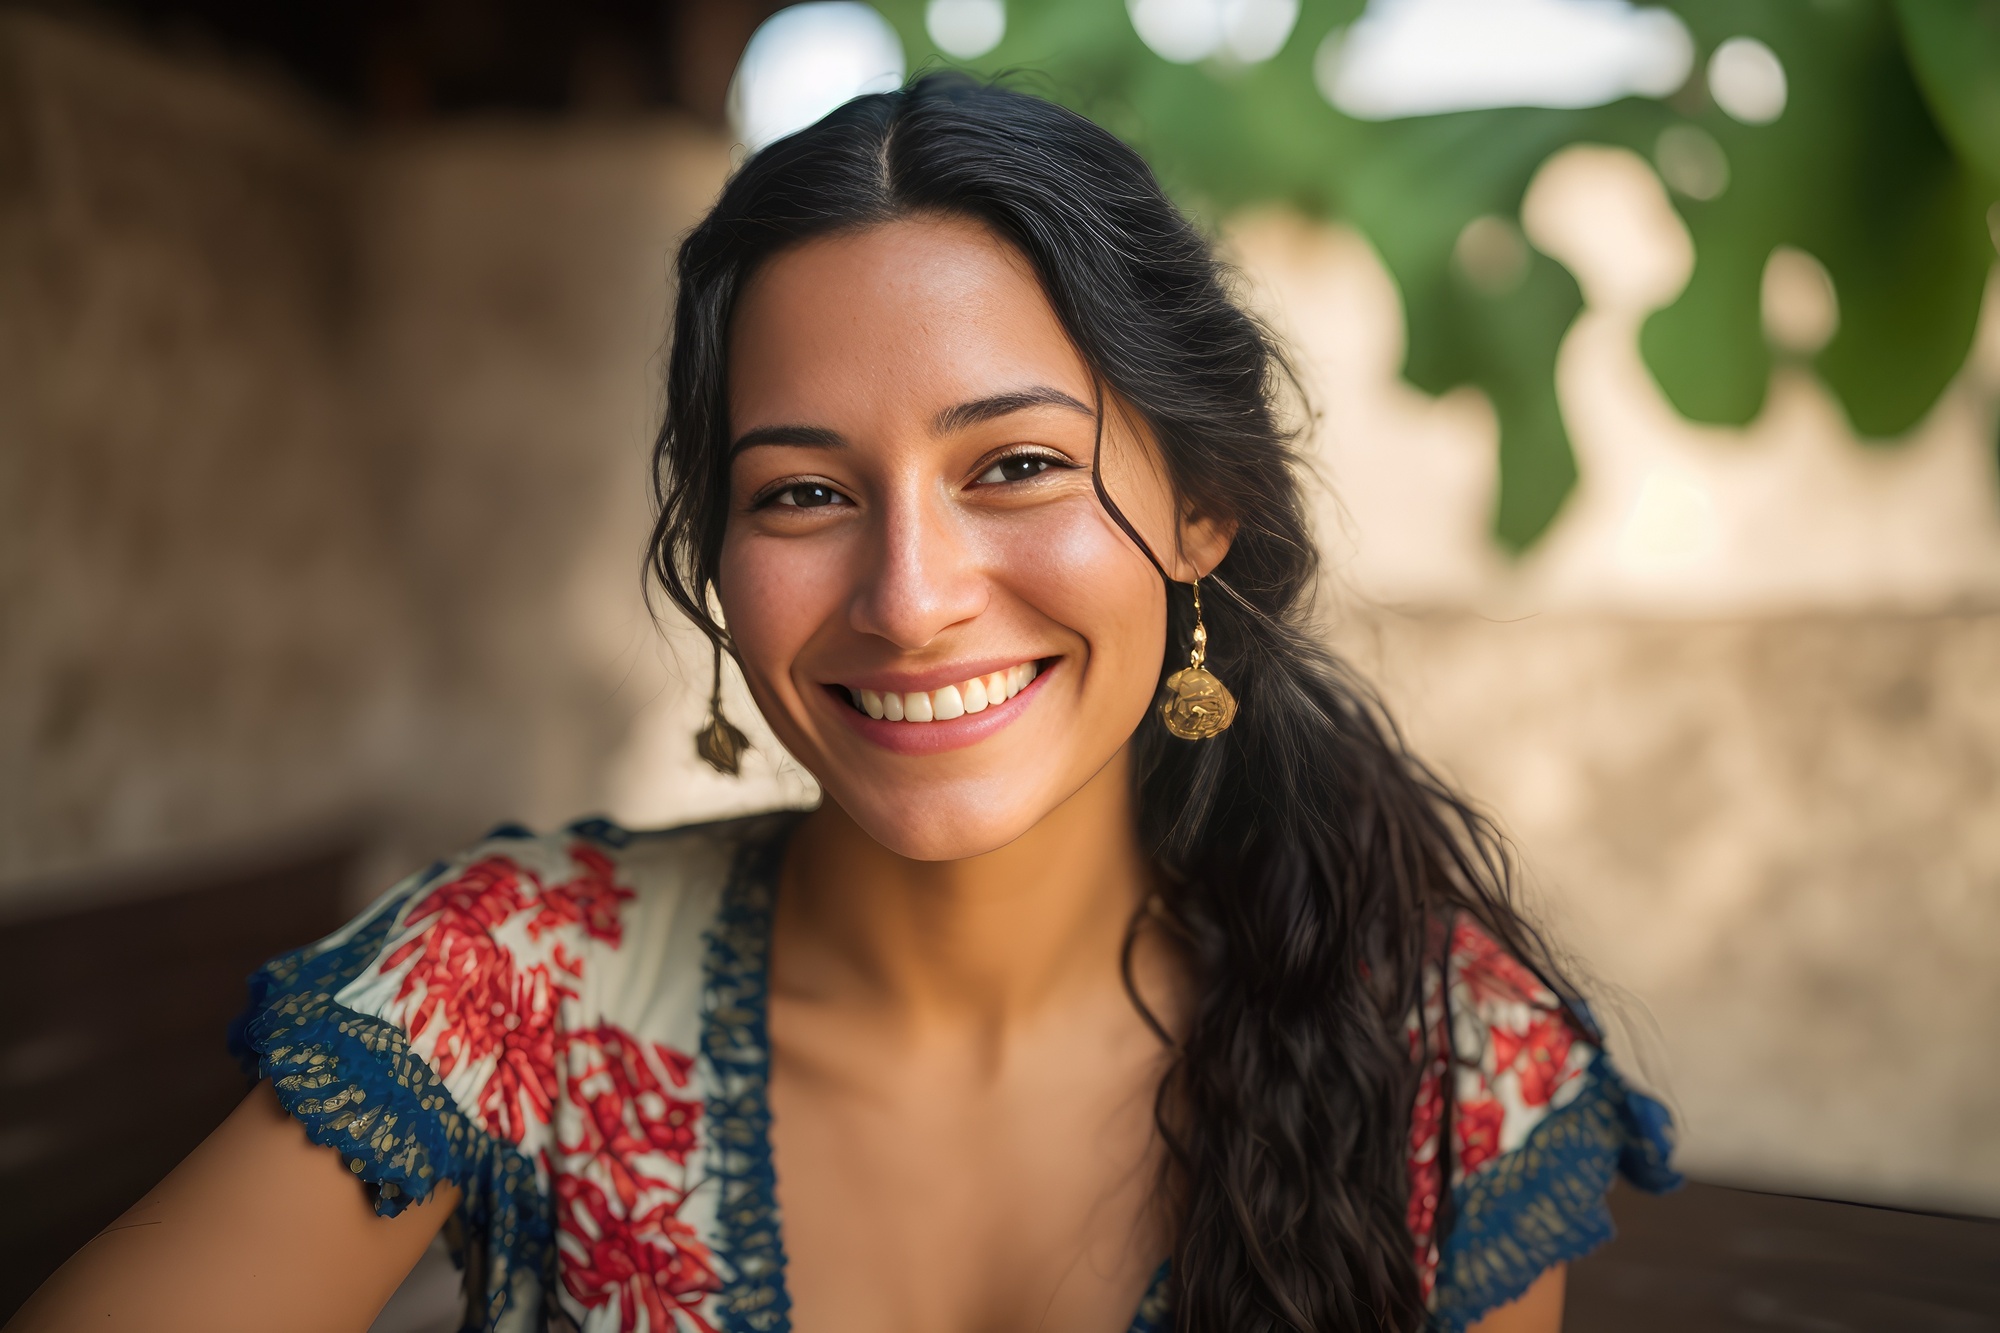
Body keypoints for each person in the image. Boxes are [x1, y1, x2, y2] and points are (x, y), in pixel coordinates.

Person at [8, 75, 1676, 1333]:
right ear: (715, 554)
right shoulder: (513, 987)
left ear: (1202, 510)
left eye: (1015, 465)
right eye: (803, 492)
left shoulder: (1437, 1055)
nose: (909, 595)